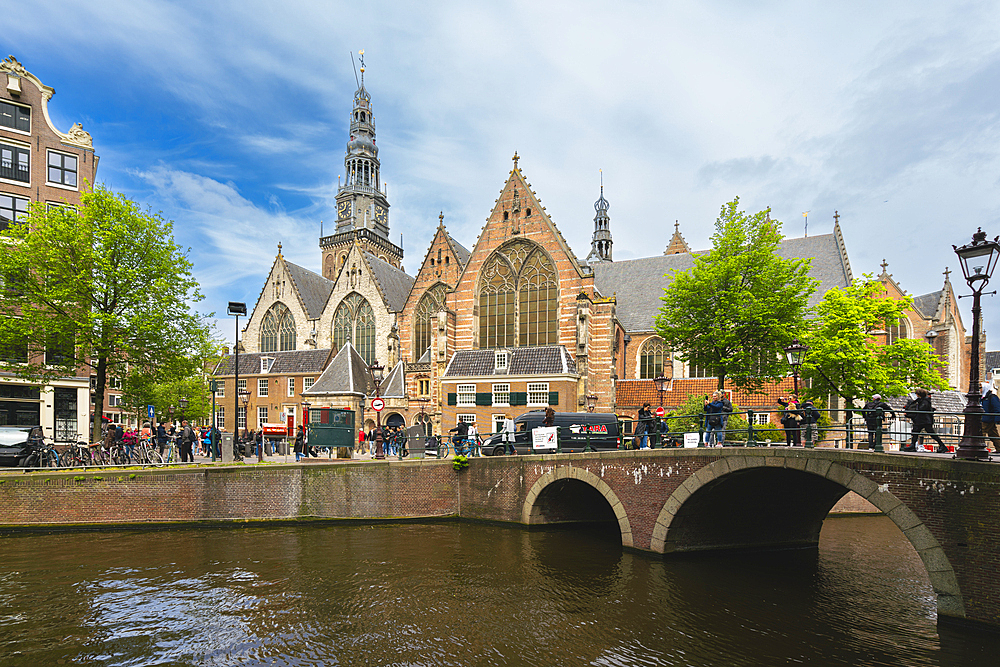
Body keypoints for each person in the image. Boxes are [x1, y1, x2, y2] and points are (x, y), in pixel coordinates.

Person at [903, 388, 947, 453]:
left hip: (924, 420)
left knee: (929, 433)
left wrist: (911, 411)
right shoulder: (922, 400)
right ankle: (912, 446)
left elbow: (921, 409)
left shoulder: (925, 401)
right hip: (921, 420)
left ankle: (942, 446)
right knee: (915, 432)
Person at [980, 382, 1000, 455]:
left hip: (987, 419)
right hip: (986, 418)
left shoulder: (992, 397)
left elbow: (997, 408)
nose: (980, 390)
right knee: (993, 434)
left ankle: (980, 448)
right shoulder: (983, 397)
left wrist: (997, 418)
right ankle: (999, 448)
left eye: (981, 388)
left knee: (981, 433)